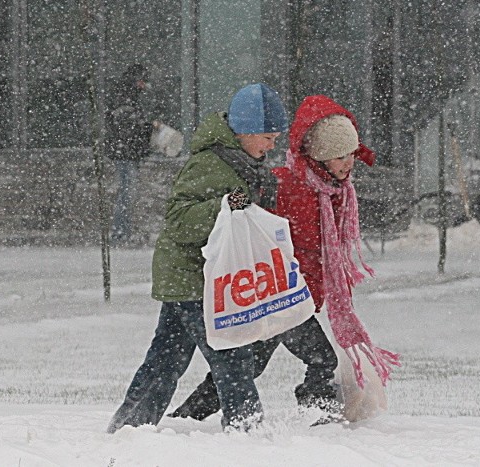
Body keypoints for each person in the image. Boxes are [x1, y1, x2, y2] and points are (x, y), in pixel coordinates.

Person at [168, 95, 400, 425]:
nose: (347, 163)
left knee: (248, 367)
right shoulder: (287, 185)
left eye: (350, 154)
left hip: (293, 293)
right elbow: (257, 227)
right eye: (338, 156)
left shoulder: (334, 192)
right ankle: (320, 413)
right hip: (279, 291)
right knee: (320, 358)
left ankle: (187, 416)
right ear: (320, 156)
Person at [106, 83, 289, 433]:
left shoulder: (244, 163)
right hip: (194, 277)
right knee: (232, 353)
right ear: (245, 131)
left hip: (199, 277)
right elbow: (179, 221)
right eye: (267, 136)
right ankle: (247, 428)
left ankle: (130, 426)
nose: (271, 145)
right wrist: (225, 205)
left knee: (166, 359)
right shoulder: (210, 163)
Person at [107, 63, 156, 246]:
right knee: (127, 193)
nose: (145, 86)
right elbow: (128, 126)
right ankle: (120, 233)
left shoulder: (125, 95)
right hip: (125, 153)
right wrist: (149, 127)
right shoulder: (125, 97)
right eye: (143, 81)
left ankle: (122, 232)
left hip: (125, 151)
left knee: (127, 193)